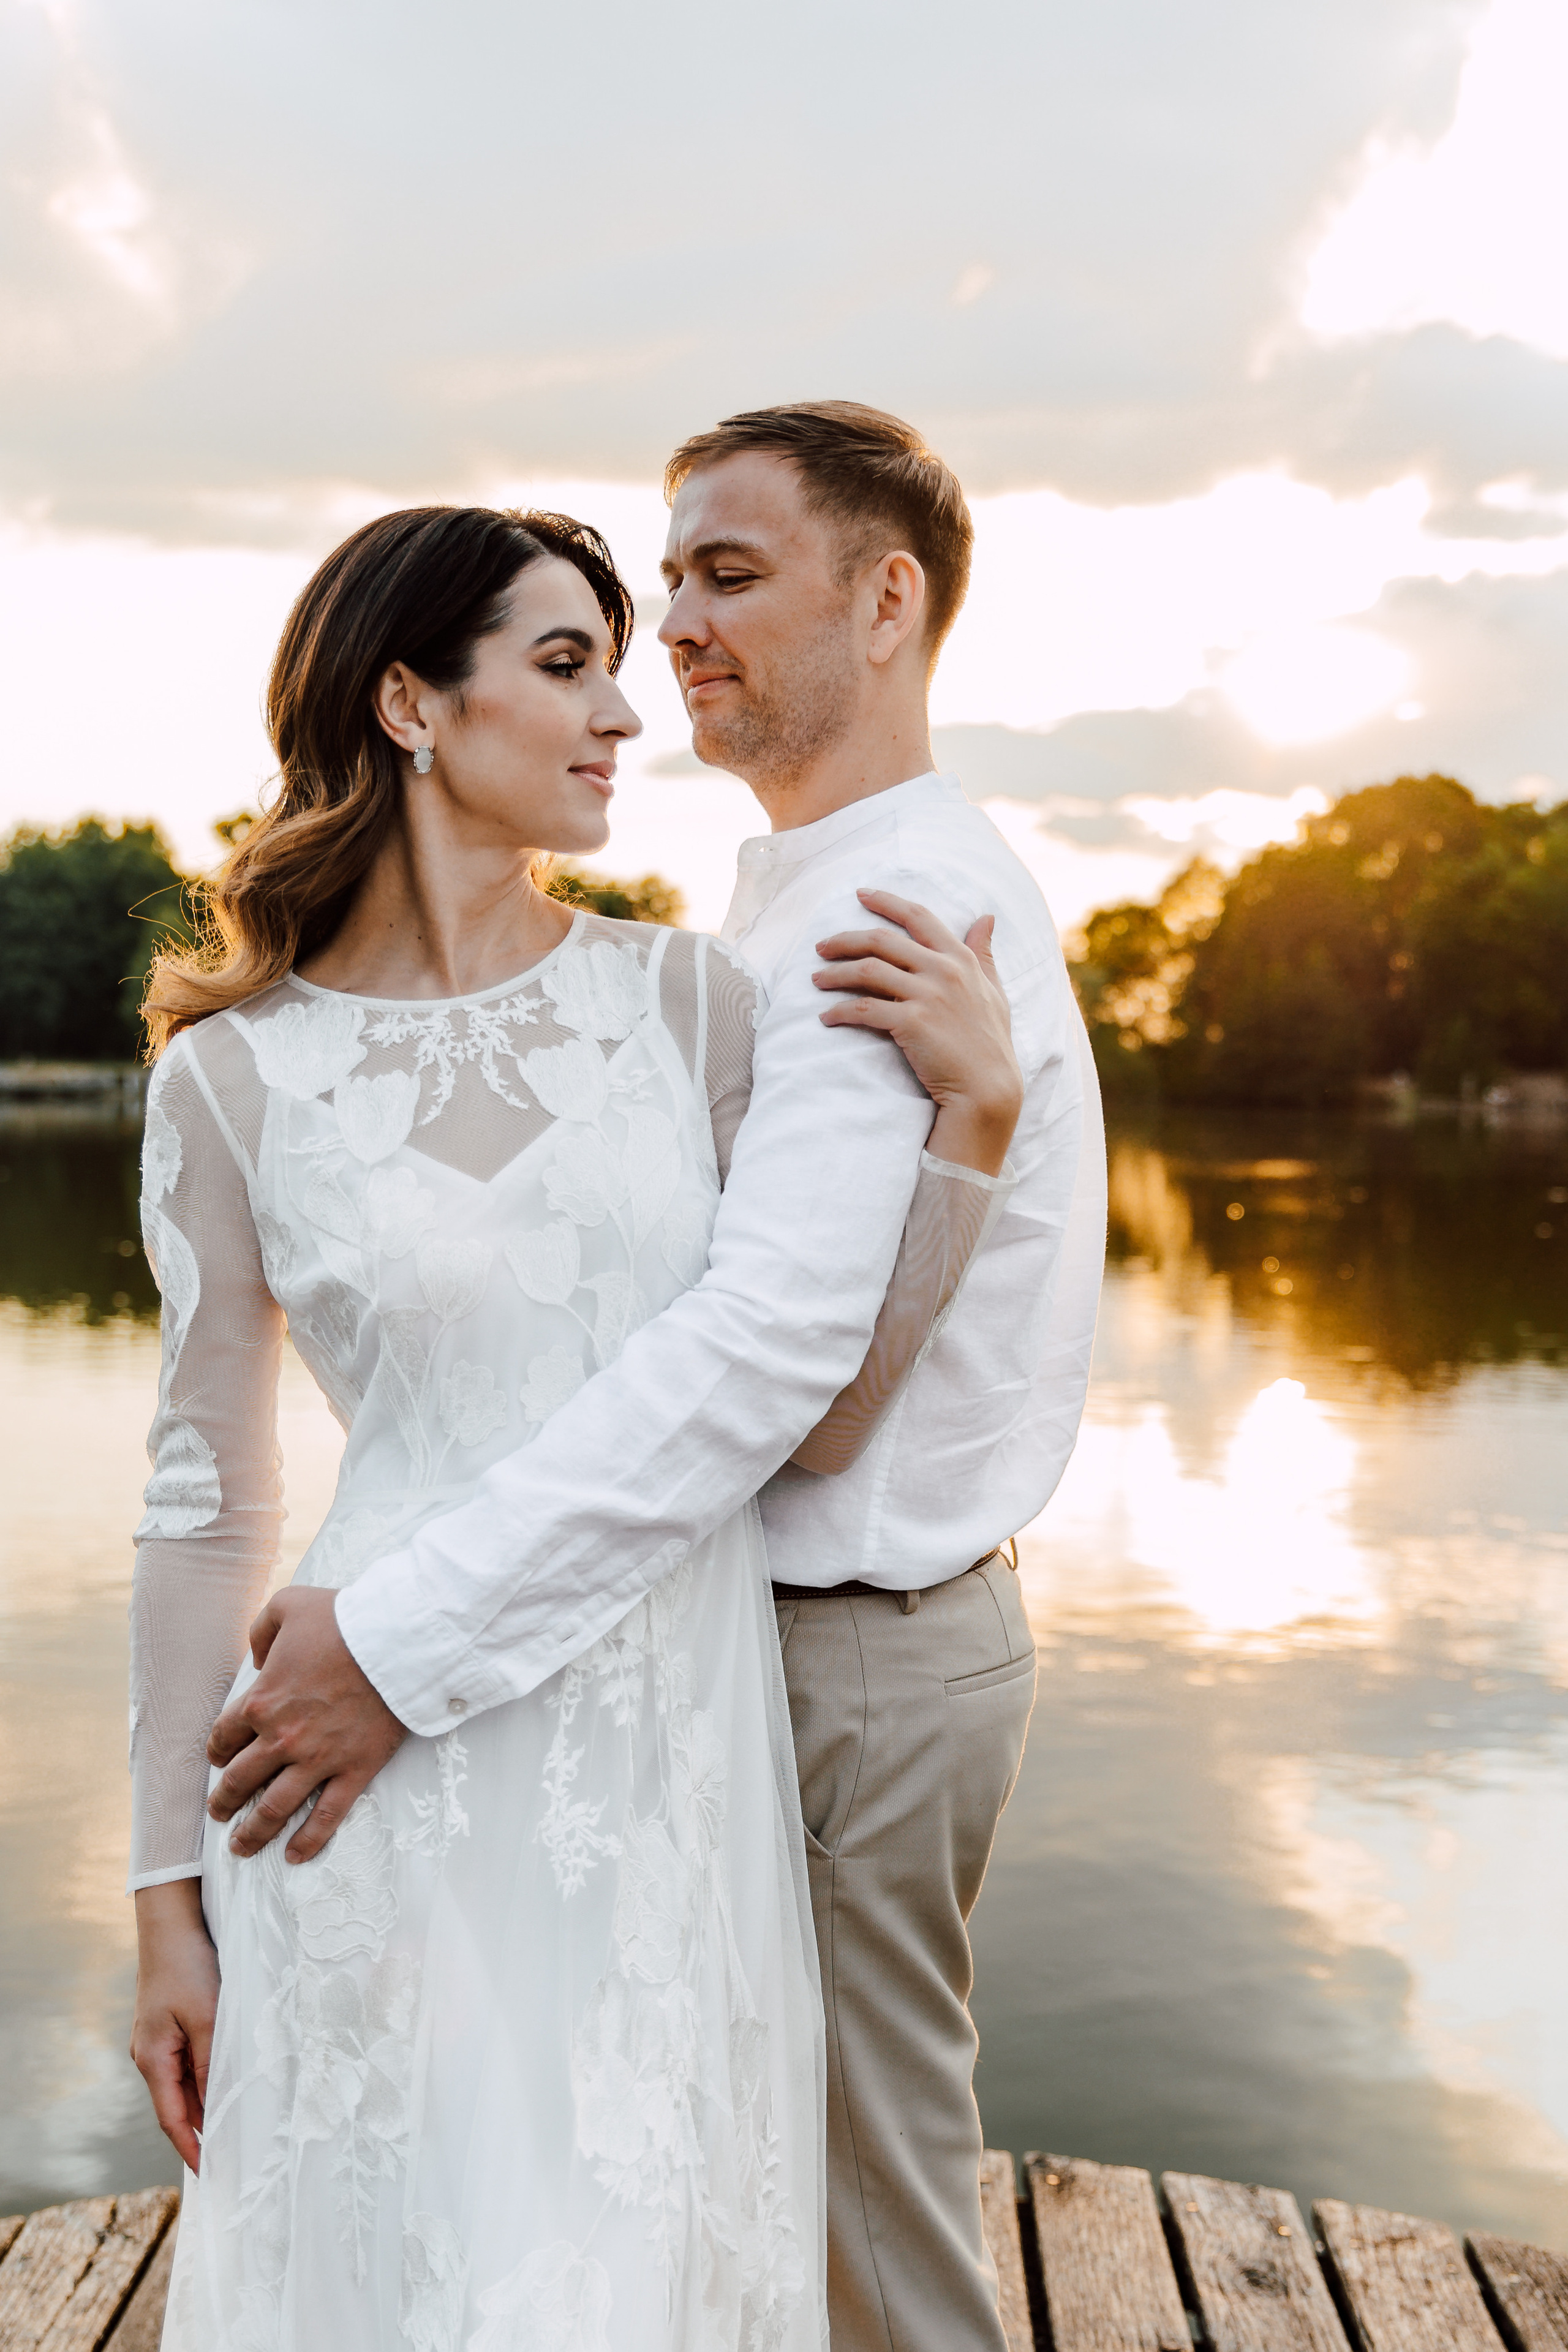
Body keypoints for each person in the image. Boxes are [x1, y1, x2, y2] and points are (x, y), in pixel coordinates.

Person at [189, 404, 1107, 2351]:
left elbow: (779, 1365)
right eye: (660, 579)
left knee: (857, 2247)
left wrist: (397, 1634)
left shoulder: (874, 913)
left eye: (726, 575)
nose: (671, 627)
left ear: (887, 604)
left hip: (846, 1655)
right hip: (725, 1648)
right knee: (709, 2209)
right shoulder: (793, 897)